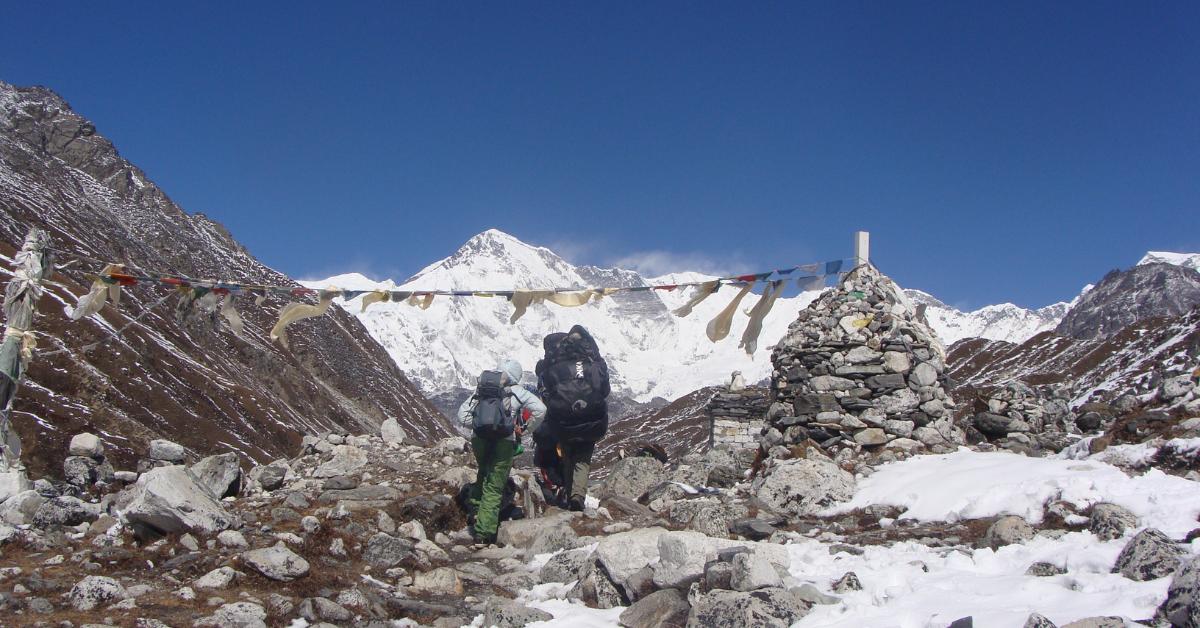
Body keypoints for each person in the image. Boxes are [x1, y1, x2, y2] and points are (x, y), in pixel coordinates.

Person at [456, 358, 545, 544]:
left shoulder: (481, 391)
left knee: (484, 473)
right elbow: (541, 409)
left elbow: (462, 415)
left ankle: (475, 513)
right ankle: (484, 533)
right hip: (504, 442)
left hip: (479, 440)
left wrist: (480, 425)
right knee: (495, 485)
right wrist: (525, 429)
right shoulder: (517, 392)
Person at [538, 325, 610, 512]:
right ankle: (577, 495)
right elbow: (605, 390)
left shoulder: (554, 365)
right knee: (583, 458)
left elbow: (546, 393)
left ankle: (570, 495)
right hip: (591, 418)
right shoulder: (593, 363)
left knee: (568, 454)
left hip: (563, 419)